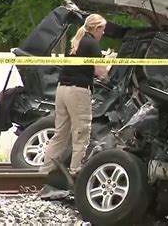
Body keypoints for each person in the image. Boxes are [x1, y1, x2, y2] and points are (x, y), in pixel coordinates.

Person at [38, 14, 110, 198]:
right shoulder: (92, 43)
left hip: (62, 90)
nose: (104, 32)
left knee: (60, 133)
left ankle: (43, 174)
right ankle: (75, 173)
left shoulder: (77, 41)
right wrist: (109, 65)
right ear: (95, 29)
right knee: (81, 132)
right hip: (78, 91)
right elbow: (101, 73)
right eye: (102, 28)